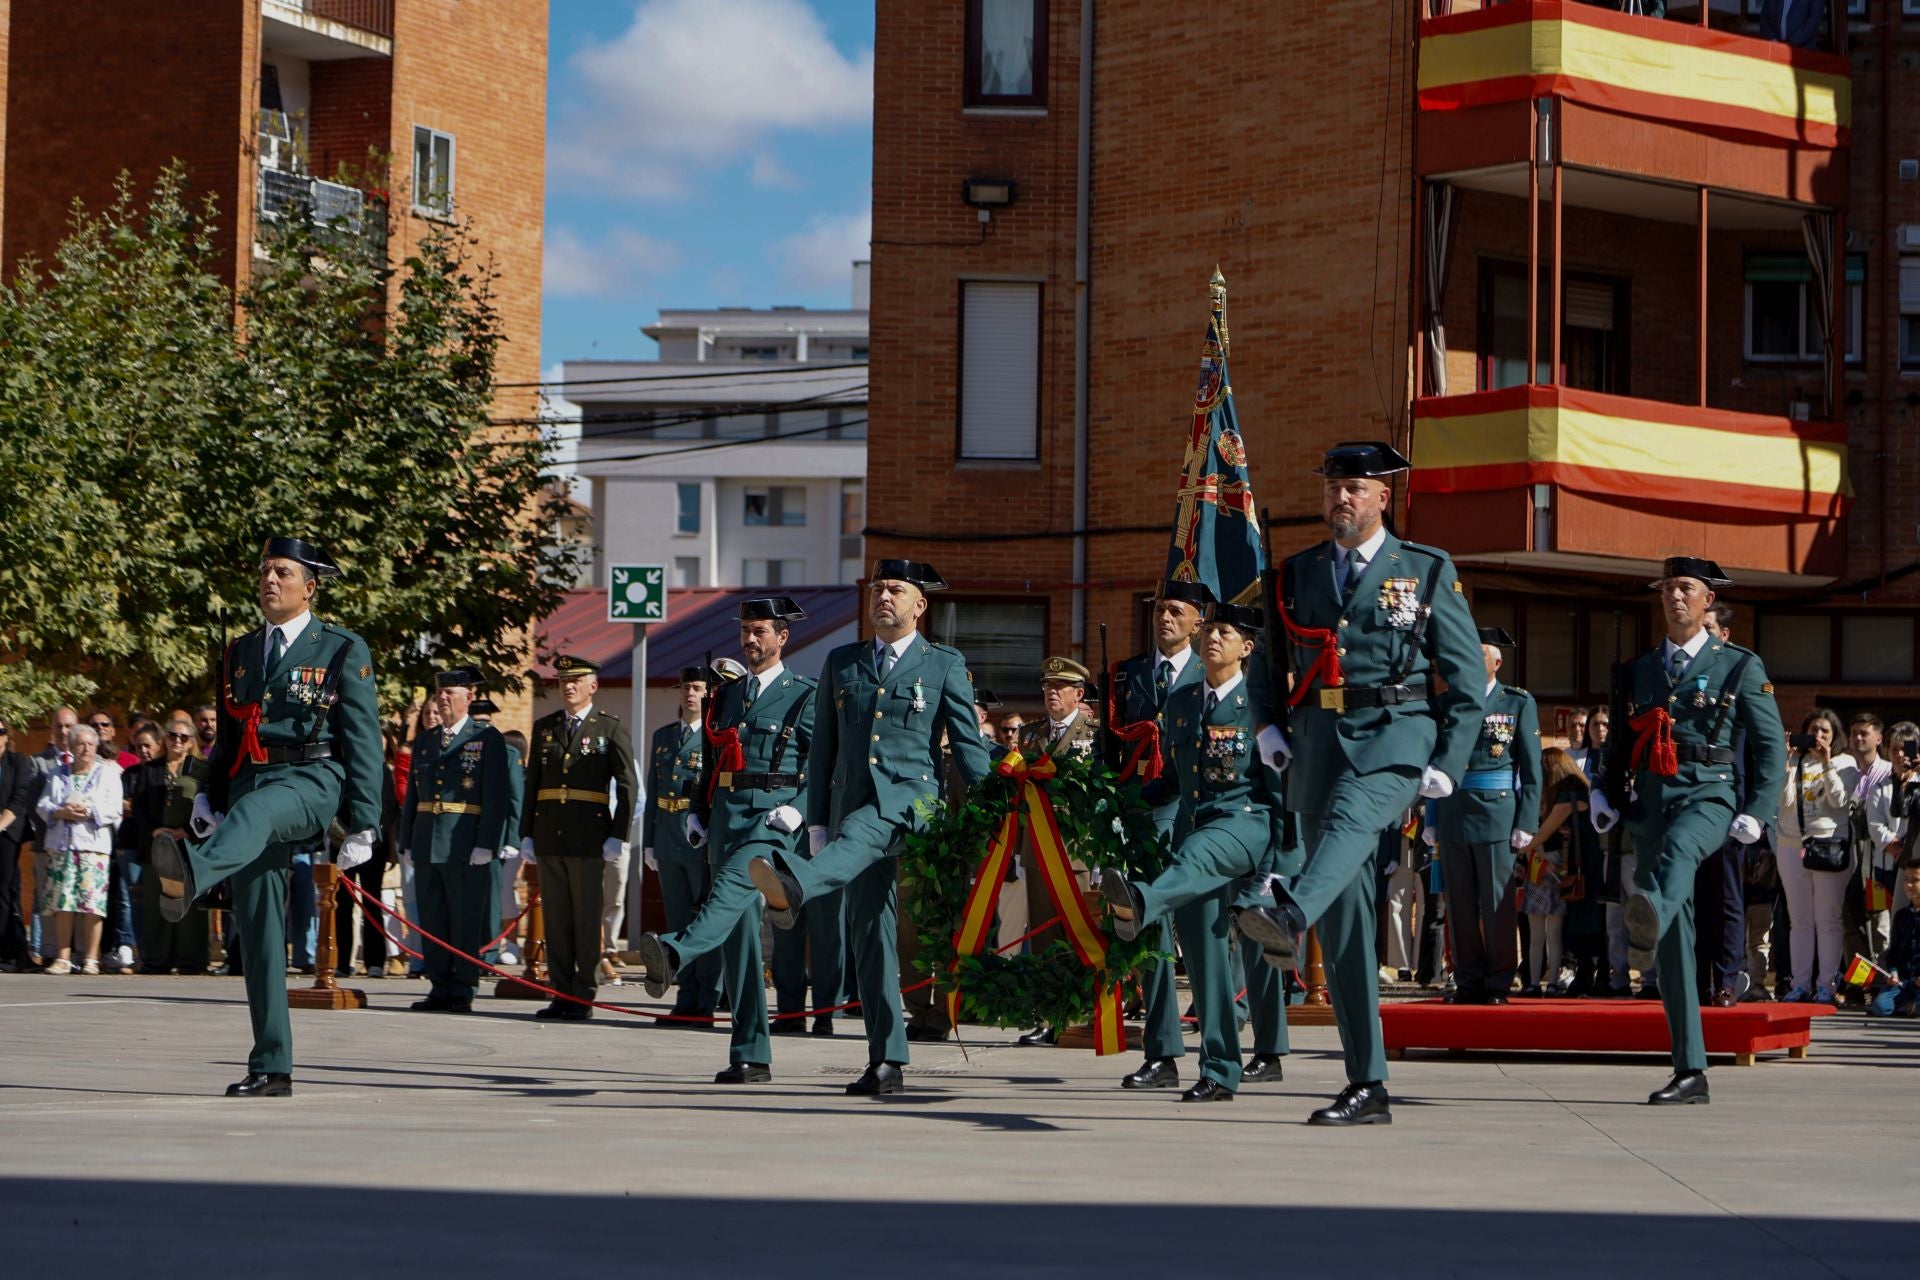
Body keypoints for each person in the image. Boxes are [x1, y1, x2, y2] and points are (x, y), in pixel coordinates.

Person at [1237, 441, 1486, 1126]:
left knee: (1350, 821)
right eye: (1333, 488)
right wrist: (1267, 727)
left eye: (1355, 488)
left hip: (1397, 735)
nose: (1340, 499)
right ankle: (1366, 1084)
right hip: (1317, 743)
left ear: (1384, 497)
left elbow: (1468, 681)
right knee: (1345, 929)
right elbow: (1268, 661)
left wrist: (1451, 761)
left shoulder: (1426, 570)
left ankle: (1287, 911)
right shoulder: (1299, 572)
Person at [744, 560, 993, 1096]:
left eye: (896, 590)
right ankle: (887, 1060)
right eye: (878, 588)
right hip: (850, 809)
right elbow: (824, 752)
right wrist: (815, 823)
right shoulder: (843, 661)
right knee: (870, 936)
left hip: (913, 803)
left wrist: (1000, 801)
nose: (884, 597)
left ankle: (794, 886)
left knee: (865, 832)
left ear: (919, 605)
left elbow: (969, 748)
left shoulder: (943, 663)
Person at [150, 537, 383, 1098]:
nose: (269, 580)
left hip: (311, 780)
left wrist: (366, 820)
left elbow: (362, 737)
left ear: (310, 586)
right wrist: (204, 795)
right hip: (252, 781)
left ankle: (193, 877)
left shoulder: (341, 648)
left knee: (255, 811)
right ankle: (272, 1064)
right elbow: (227, 737)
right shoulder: (241, 651)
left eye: (282, 572)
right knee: (258, 931)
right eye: (264, 572)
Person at [1590, 556, 1783, 1106]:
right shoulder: (1639, 670)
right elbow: (1618, 744)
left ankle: (1644, 912)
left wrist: (1759, 809)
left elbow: (1771, 747)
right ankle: (1690, 1069)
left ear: (1707, 603)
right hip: (1651, 800)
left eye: (1687, 589)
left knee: (1677, 858)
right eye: (1669, 588)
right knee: (1674, 943)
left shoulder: (1740, 666)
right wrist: (1602, 792)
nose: (1676, 597)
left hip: (1709, 793)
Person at [1102, 601, 1293, 1102]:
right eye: (1209, 629)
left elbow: (1280, 793)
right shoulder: (1183, 702)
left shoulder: (1261, 705)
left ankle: (1142, 902)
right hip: (1195, 825)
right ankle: (1220, 1069)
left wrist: (1276, 870)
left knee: (1207, 882)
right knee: (1208, 959)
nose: (1212, 638)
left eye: (1225, 632)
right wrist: (1118, 802)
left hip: (1245, 825)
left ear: (1246, 648)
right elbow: (1170, 780)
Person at [639, 599, 819, 1082]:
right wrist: (699, 812)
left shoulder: (804, 694)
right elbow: (714, 760)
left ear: (782, 637)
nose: (749, 639)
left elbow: (825, 767)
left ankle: (676, 950)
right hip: (726, 820)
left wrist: (799, 809)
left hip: (771, 822)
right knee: (739, 942)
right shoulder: (728, 696)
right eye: (744, 631)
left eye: (759, 630)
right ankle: (750, 1053)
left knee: (725, 895)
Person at [1109, 581, 1210, 1090]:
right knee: (1150, 933)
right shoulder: (1128, 675)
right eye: (1160, 610)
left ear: (1198, 622)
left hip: (1199, 818)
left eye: (1176, 611)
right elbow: (1113, 749)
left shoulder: (1213, 672)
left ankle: (1222, 1050)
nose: (1164, 618)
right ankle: (1163, 1052)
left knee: (1207, 936)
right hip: (1143, 816)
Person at [518, 655, 637, 1021]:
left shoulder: (609, 728)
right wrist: (526, 833)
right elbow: (533, 785)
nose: (568, 686)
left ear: (593, 686)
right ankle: (560, 992)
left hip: (590, 837)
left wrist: (618, 834)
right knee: (556, 918)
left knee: (586, 919)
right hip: (551, 834)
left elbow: (628, 785)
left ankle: (583, 992)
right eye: (562, 680)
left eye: (576, 680)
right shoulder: (546, 727)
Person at [1427, 626, 1540, 1005]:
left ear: (1497, 661)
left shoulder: (1517, 703)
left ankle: (1498, 981)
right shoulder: (1449, 703)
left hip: (1497, 811)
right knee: (1459, 903)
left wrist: (1526, 822)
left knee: (1497, 904)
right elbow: (1436, 764)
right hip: (1455, 809)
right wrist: (1431, 817)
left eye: (1480, 654)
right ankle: (1468, 979)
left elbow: (1531, 768)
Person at [397, 668, 512, 1014]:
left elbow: (496, 795)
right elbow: (415, 796)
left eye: (451, 692)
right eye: (440, 692)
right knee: (433, 918)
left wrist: (487, 842)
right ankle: (439, 985)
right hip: (428, 840)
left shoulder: (487, 738)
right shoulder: (427, 741)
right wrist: (406, 841)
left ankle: (463, 987)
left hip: (465, 843)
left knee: (463, 919)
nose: (443, 697)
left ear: (469, 697)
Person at [1012, 655, 1101, 1047]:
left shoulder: (1095, 733)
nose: (1051, 693)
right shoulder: (1031, 736)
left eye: (1059, 687)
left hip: (1078, 850)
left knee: (1079, 933)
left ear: (1078, 694)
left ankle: (1081, 1015)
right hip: (1037, 850)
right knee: (1045, 939)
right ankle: (1050, 1016)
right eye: (1047, 687)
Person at [641, 668, 725, 1022]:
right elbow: (652, 791)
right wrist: (648, 842)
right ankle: (686, 996)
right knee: (676, 920)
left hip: (697, 838)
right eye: (685, 688)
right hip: (667, 838)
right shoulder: (663, 736)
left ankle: (708, 995)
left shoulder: (714, 736)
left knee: (702, 920)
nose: (690, 694)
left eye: (697, 688)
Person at [1774, 708, 1857, 1006]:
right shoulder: (1794, 761)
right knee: (1799, 920)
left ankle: (1825, 985)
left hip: (1829, 845)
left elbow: (1839, 800)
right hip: (1791, 844)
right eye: (1813, 730)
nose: (1818, 736)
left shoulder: (1845, 762)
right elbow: (1782, 801)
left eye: (1825, 731)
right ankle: (1799, 985)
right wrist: (1784, 761)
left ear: (1835, 737)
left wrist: (1825, 765)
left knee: (1828, 920)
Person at [124, 715, 212, 974]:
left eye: (183, 737)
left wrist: (186, 831)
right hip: (158, 844)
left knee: (189, 901)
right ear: (165, 739)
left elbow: (212, 806)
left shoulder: (200, 769)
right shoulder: (152, 768)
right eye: (172, 735)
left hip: (190, 843)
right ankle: (156, 959)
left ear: (191, 742)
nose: (177, 741)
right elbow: (138, 805)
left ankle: (191, 960)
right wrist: (155, 829)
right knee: (157, 900)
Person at [33, 724, 123, 974]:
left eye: (90, 744)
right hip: (62, 848)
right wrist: (60, 811)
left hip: (93, 849)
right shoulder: (57, 773)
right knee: (63, 902)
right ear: (71, 747)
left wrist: (89, 811)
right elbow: (42, 805)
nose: (85, 749)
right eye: (80, 744)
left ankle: (91, 958)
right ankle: (63, 957)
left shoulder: (107, 773)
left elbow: (114, 807)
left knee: (93, 904)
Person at [1520, 747, 1588, 995]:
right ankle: (1546, 983)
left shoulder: (1561, 799)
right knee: (1552, 935)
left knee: (1540, 935)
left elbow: (1542, 834)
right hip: (1558, 871)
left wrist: (1516, 850)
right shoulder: (1571, 794)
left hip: (1542, 870)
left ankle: (1535, 983)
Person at [104, 723, 163, 972]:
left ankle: (160, 954)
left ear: (159, 745)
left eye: (148, 745)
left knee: (159, 899)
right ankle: (141, 954)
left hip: (158, 843)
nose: (144, 750)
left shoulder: (162, 773)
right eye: (139, 746)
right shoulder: (129, 774)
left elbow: (142, 806)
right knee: (134, 899)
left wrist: (136, 806)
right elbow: (121, 806)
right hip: (130, 844)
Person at [1847, 713, 1901, 972]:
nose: (1858, 737)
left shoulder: (1889, 773)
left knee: (1878, 919)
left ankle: (1883, 979)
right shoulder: (1843, 771)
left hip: (1877, 856)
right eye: (1854, 732)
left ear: (1879, 739)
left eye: (1864, 733)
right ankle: (1860, 985)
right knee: (1852, 920)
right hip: (1848, 854)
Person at [28, 706, 80, 966]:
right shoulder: (39, 763)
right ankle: (49, 952)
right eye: (58, 726)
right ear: (51, 729)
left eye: (68, 726)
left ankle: (78, 953)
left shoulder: (89, 761)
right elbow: (32, 805)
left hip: (82, 846)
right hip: (47, 845)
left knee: (78, 899)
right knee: (48, 899)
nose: (63, 731)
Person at [0, 717, 38, 971]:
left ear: (6, 736)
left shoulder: (18, 762)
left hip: (7, 833)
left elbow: (20, 797)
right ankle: (15, 950)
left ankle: (5, 951)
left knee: (3, 891)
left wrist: (1, 823)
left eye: (0, 731)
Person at [1864, 860, 1920, 1017]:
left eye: (1915, 880)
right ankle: (1907, 1005)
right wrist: (1892, 973)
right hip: (1903, 980)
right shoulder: (1902, 916)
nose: (1909, 885)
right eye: (1906, 880)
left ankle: (1909, 1005)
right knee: (1880, 1007)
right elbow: (1893, 952)